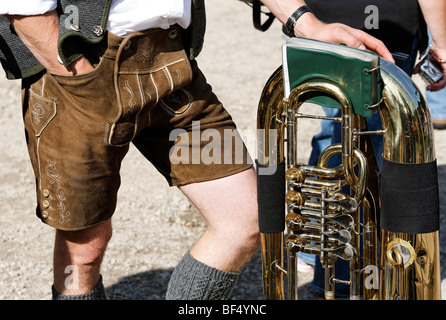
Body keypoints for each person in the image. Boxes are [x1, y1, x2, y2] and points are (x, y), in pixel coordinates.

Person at [0, 0, 394, 300]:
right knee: (84, 248)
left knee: (245, 218)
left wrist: (305, 22)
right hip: (82, 68)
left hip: (171, 64)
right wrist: (76, 74)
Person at [288, 0, 446, 296]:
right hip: (387, 23)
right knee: (377, 144)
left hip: (318, 18)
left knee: (336, 131)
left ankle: (319, 257)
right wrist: (443, 43)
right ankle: (347, 279)